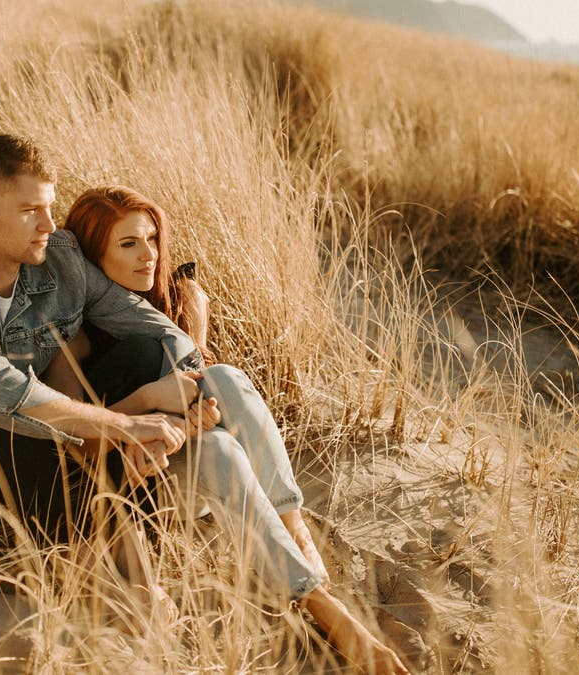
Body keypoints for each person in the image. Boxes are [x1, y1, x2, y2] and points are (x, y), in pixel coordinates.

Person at [0, 134, 407, 674]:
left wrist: (185, 398)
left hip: (80, 467)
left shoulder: (60, 262)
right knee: (15, 413)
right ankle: (119, 576)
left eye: (50, 206)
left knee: (217, 422)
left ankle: (315, 595)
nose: (50, 224)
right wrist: (127, 423)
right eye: (30, 211)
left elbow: (158, 333)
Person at [44, 185, 410, 674]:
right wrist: (156, 402)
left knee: (225, 382)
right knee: (218, 448)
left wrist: (185, 389)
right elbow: (80, 443)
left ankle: (293, 530)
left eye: (152, 237)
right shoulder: (75, 335)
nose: (149, 254)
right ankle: (328, 610)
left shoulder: (175, 299)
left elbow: (199, 389)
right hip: (132, 486)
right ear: (92, 256)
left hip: (189, 465)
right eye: (127, 244)